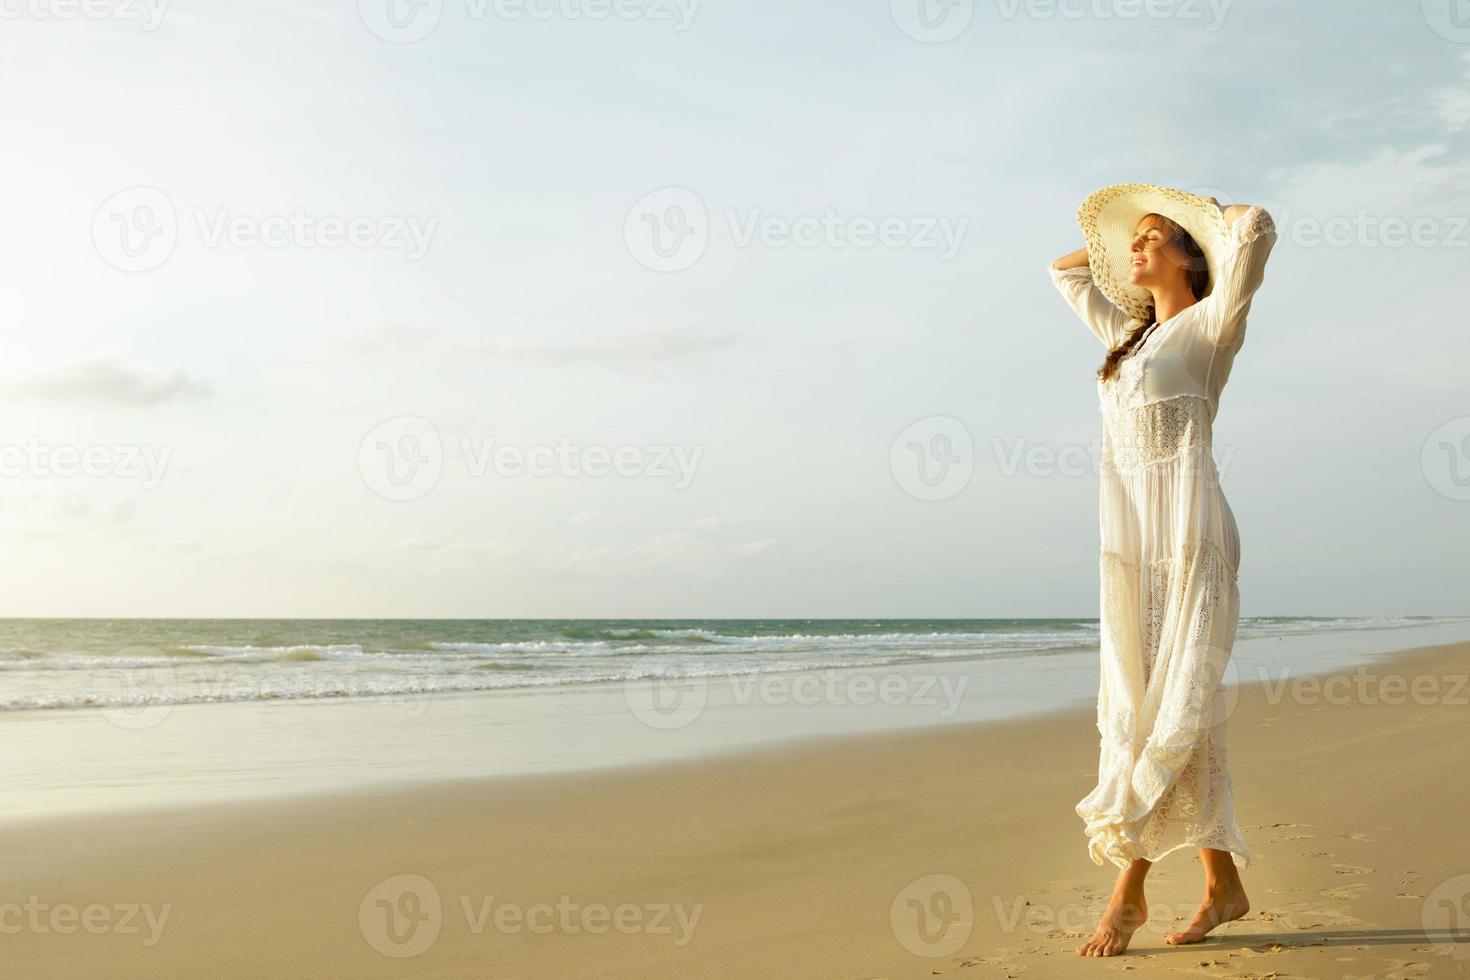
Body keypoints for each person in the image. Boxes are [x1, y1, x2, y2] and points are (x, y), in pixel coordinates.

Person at [1047, 183, 1280, 956]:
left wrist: (1203, 215)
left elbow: (1257, 228)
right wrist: (1123, 244)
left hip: (1190, 539)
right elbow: (1064, 272)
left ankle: (1128, 894)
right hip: (1132, 547)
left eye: (1154, 239)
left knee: (1173, 705)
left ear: (1191, 257)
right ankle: (1223, 885)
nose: (1137, 249)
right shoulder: (1128, 336)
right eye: (1134, 240)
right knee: (1160, 706)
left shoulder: (1211, 329)